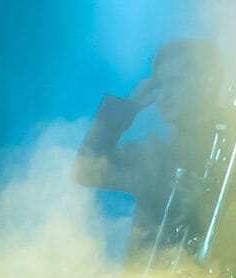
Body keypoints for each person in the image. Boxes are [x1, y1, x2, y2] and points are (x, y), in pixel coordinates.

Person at [73, 39, 227, 265]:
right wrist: (128, 105)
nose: (163, 95)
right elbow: (85, 169)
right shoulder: (153, 155)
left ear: (207, 82)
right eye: (158, 86)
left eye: (175, 82)